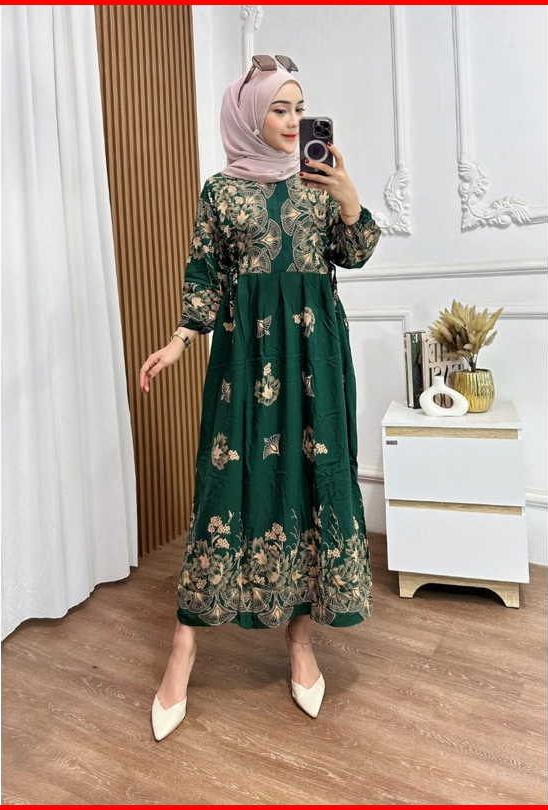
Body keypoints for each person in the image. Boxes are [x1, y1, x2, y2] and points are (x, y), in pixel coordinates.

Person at [139, 57, 382, 741]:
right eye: (280, 108)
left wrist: (348, 195)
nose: (293, 121)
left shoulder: (317, 185)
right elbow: (204, 276)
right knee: (225, 485)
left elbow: (355, 252)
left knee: (311, 479)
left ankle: (300, 642)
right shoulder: (220, 192)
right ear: (249, 115)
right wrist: (180, 341)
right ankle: (184, 648)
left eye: (300, 108)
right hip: (245, 360)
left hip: (315, 359)